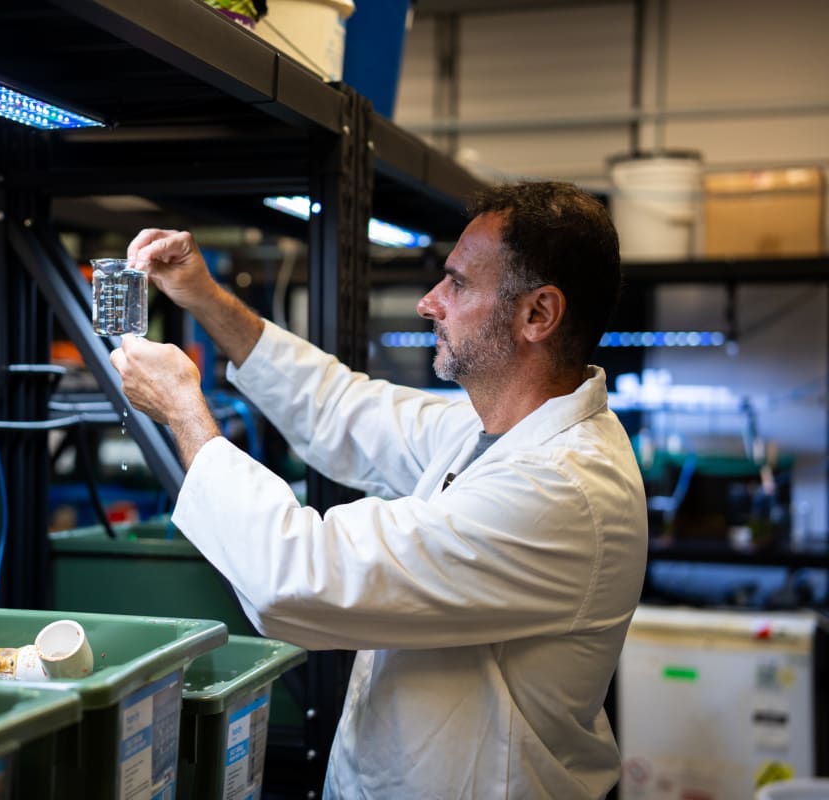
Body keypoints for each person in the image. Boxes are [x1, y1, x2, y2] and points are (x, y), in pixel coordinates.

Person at [109, 181, 647, 799]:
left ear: (537, 315)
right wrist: (203, 297)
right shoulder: (488, 430)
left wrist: (183, 410)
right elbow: (339, 406)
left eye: (459, 284)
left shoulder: (561, 489)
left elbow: (298, 577)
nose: (429, 302)